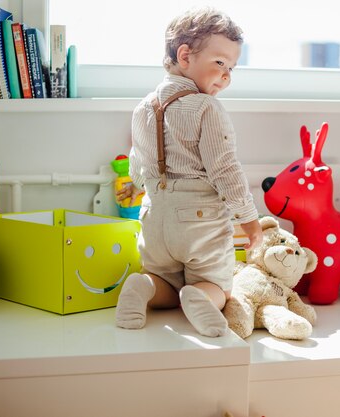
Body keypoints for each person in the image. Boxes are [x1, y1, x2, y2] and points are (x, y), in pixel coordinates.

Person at [115, 7, 263, 337]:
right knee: (220, 285)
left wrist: (147, 187)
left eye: (232, 68)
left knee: (163, 281)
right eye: (220, 63)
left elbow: (137, 168)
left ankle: (144, 286)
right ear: (185, 56)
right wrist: (249, 220)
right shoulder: (207, 107)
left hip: (155, 217)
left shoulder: (143, 108)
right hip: (199, 221)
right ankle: (201, 296)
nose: (226, 76)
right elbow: (225, 169)